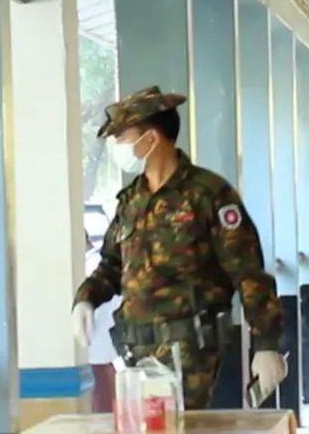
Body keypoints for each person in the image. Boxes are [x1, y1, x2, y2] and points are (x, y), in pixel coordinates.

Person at [70, 86, 287, 409]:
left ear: (151, 138)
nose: (118, 147)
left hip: (190, 352)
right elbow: (112, 266)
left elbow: (248, 273)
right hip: (136, 353)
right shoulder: (131, 200)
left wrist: (266, 344)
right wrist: (86, 298)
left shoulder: (208, 194)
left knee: (182, 428)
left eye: (123, 137)